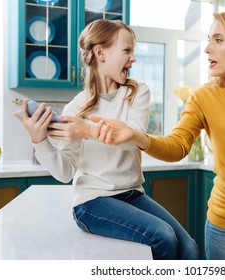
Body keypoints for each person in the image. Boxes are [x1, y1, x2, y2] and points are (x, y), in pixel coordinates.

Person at [77, 9, 225, 260]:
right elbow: (176, 147)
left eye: (218, 40)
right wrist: (136, 136)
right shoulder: (204, 97)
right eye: (208, 40)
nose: (207, 49)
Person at [14, 19, 198, 260]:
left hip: (132, 194)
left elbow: (132, 135)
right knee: (161, 235)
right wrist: (40, 141)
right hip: (92, 202)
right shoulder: (75, 108)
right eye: (127, 50)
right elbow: (65, 172)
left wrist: (86, 129)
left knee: (190, 247)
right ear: (101, 52)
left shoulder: (137, 92)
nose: (133, 58)